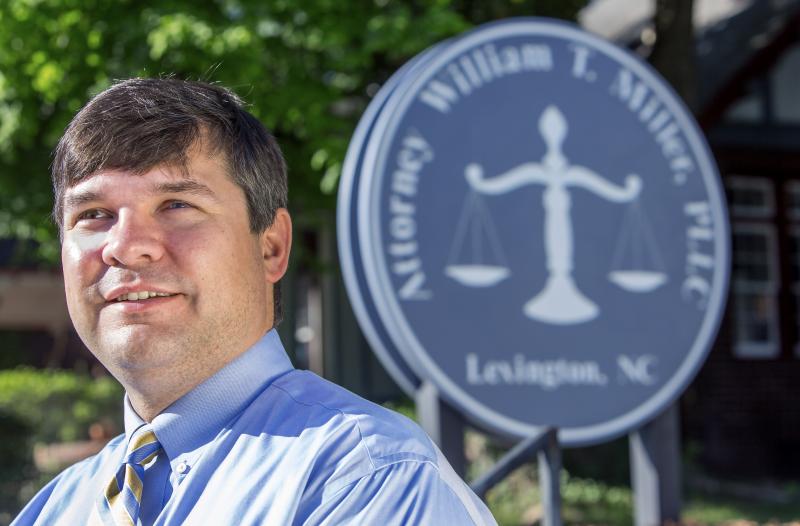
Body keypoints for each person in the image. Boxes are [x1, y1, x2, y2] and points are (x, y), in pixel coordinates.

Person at [12, 78, 496, 526]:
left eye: (177, 205)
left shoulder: (367, 479)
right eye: (93, 214)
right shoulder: (53, 511)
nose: (125, 245)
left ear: (271, 247)